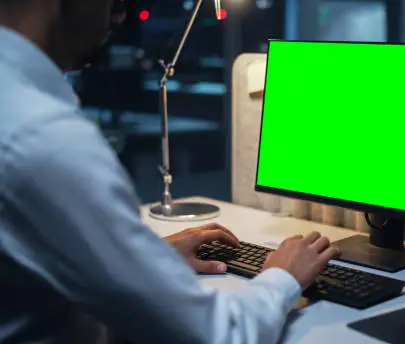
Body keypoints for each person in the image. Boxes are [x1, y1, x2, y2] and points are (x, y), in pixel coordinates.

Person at [0, 1, 340, 343]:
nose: (121, 11)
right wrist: (283, 275)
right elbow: (217, 335)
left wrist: (146, 261)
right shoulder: (43, 139)